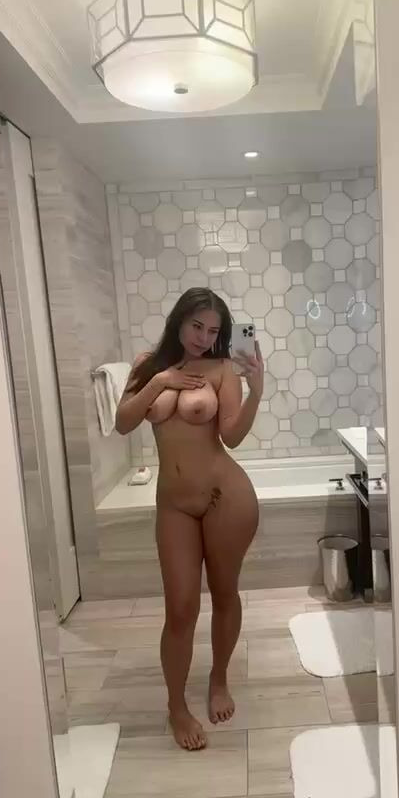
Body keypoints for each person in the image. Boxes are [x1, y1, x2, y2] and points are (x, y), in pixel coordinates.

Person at [114, 287, 265, 750]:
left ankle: (219, 678)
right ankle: (176, 705)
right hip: (174, 504)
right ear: (179, 320)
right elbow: (123, 422)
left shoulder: (222, 370)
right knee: (180, 608)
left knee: (224, 592)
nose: (204, 337)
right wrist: (161, 382)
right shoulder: (147, 365)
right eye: (197, 325)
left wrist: (257, 390)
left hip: (225, 498)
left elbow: (232, 437)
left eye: (214, 330)